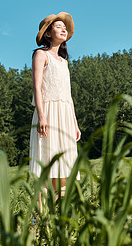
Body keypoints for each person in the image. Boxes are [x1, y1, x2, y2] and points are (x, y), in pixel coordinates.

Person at [29, 12, 81, 208]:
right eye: (58, 26)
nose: (64, 29)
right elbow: (37, 87)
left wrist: (74, 124)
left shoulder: (64, 62)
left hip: (65, 117)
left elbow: (68, 95)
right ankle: (40, 217)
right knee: (46, 163)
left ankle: (58, 216)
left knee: (64, 168)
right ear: (48, 33)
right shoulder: (40, 54)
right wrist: (42, 116)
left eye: (64, 27)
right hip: (48, 114)